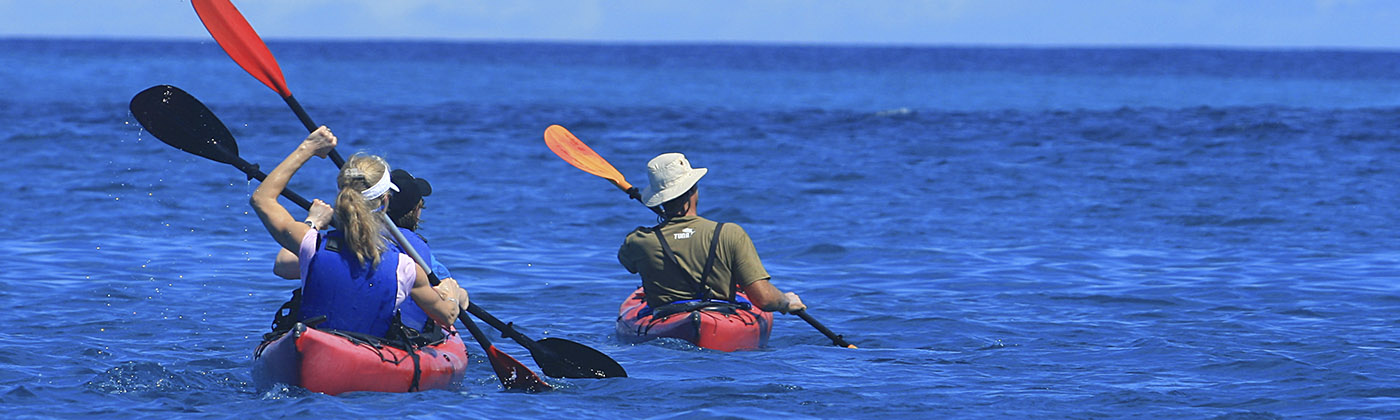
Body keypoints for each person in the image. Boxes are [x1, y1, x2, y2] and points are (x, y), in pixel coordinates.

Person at [251, 126, 468, 337]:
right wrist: (451, 295)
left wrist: (308, 148)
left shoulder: (311, 244)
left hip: (310, 342)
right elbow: (448, 316)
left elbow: (262, 198)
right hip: (371, 353)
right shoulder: (407, 267)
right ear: (385, 200)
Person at [617, 152, 805, 316]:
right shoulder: (729, 233)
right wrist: (785, 301)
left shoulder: (638, 241)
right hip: (720, 317)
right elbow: (764, 300)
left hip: (665, 318)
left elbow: (630, 265)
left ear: (659, 198)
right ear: (693, 189)